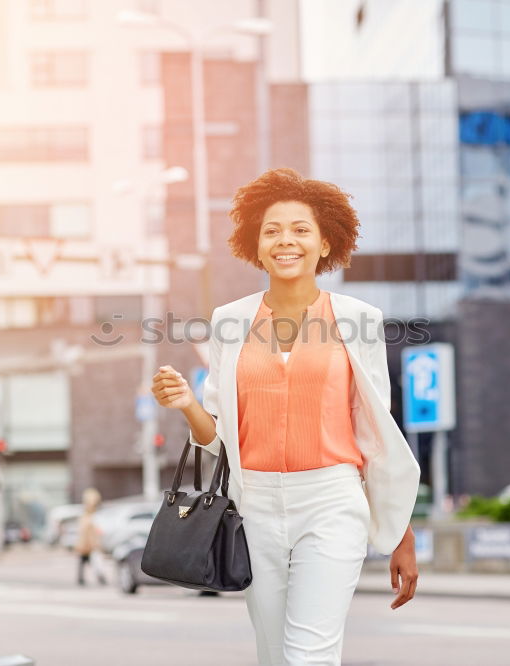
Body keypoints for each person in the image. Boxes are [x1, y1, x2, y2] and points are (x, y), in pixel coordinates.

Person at [150, 168, 420, 665]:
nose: (285, 241)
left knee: (307, 656)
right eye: (272, 230)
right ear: (256, 243)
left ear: (324, 244)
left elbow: (377, 432)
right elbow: (217, 440)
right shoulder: (230, 322)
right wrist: (187, 403)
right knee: (274, 656)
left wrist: (399, 531)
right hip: (252, 503)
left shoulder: (358, 320)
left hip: (332, 500)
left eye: (300, 229)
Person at [74, 487, 106, 586]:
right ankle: (98, 578)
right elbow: (85, 532)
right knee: (94, 561)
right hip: (88, 544)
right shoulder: (88, 517)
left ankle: (83, 578)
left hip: (87, 545)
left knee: (87, 561)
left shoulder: (89, 516)